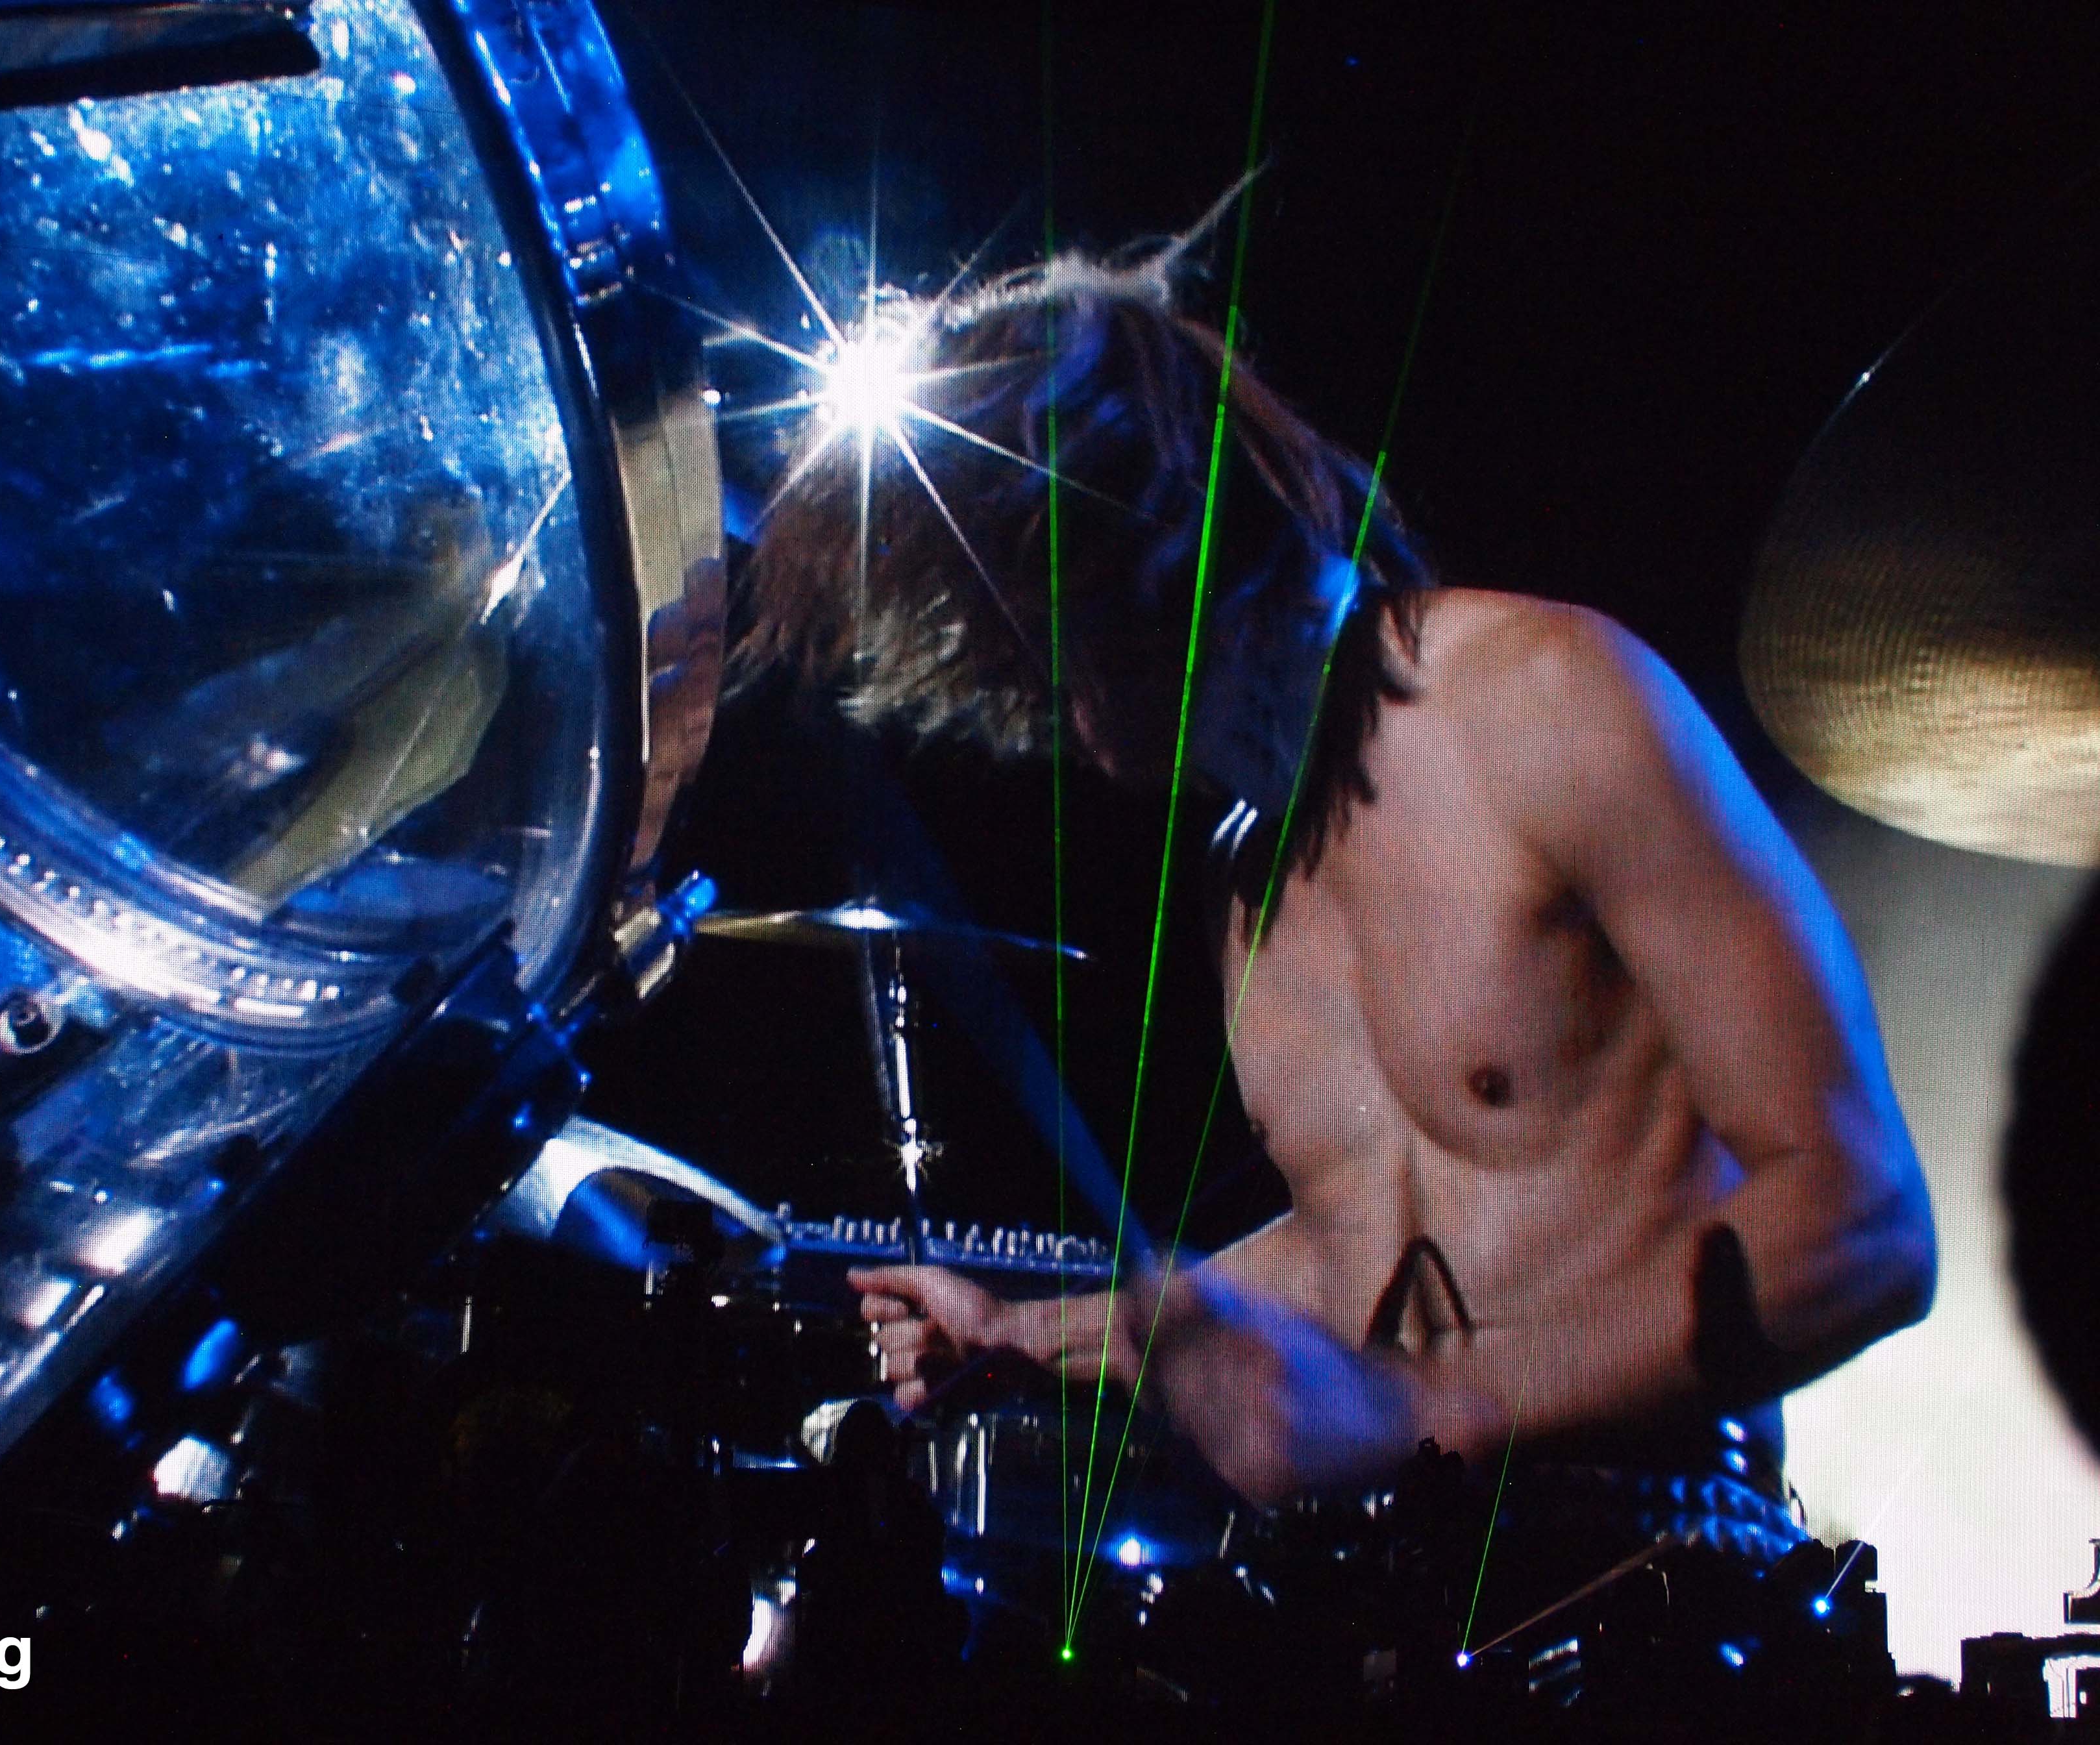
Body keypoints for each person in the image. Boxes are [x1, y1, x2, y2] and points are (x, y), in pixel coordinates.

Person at [737, 230, 1936, 1525]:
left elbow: (1862, 1226)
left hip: (1660, 1548)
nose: (1041, 709)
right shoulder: (1245, 870)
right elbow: (1354, 1243)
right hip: (1424, 1561)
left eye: (1043, 638)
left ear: (1155, 551)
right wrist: (1039, 1333)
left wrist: (1436, 1412)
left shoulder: (1550, 702)